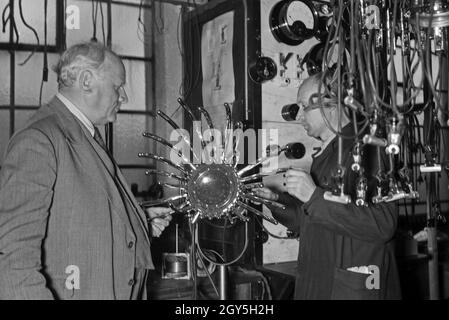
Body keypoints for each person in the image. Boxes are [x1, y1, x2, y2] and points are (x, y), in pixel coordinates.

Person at [0, 42, 172, 299]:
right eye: (118, 86)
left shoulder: (83, 134)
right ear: (87, 81)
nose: (123, 97)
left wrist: (138, 220)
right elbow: (14, 259)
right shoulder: (39, 140)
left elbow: (72, 221)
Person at [254, 72, 401, 299]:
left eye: (304, 107)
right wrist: (275, 201)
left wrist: (314, 196)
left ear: (330, 104)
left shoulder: (370, 146)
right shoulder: (326, 155)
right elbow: (307, 221)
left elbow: (383, 224)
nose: (300, 116)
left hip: (353, 285)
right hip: (318, 280)